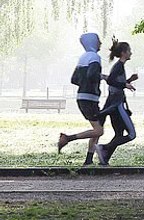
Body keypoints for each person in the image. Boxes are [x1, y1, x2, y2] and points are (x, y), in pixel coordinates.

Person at [57, 32, 105, 166]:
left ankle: (88, 160)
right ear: (93, 42)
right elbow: (92, 75)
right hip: (89, 98)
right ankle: (67, 138)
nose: (100, 43)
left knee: (97, 129)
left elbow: (74, 79)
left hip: (83, 97)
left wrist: (85, 84)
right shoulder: (95, 57)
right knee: (99, 130)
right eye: (98, 40)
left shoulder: (83, 57)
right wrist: (101, 78)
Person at [96, 39, 138, 166]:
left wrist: (129, 80)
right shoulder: (118, 66)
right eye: (129, 51)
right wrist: (126, 84)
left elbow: (116, 83)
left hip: (114, 105)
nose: (131, 53)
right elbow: (111, 81)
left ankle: (104, 158)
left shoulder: (119, 67)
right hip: (117, 105)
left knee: (119, 134)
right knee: (131, 134)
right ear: (124, 53)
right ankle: (103, 148)